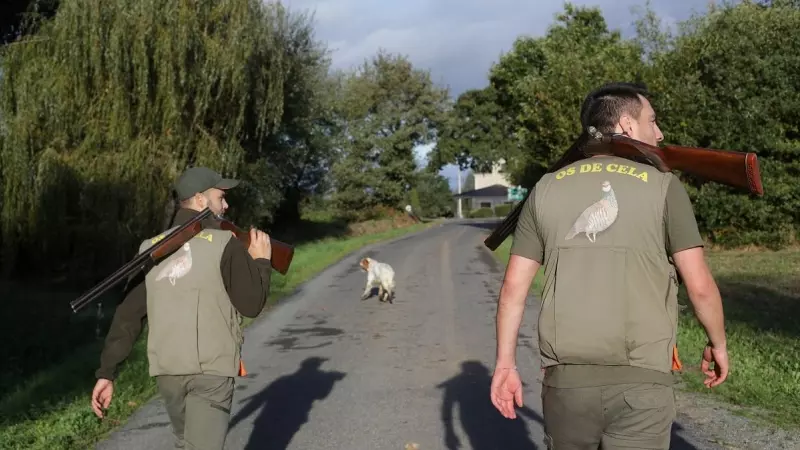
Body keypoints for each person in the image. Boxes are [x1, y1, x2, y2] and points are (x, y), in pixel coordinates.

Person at [489, 82, 729, 449]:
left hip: (567, 381)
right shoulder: (665, 187)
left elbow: (512, 291)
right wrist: (718, 343)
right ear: (628, 127)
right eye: (653, 120)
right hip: (643, 378)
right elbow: (698, 285)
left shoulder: (545, 188)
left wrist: (505, 364)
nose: (660, 132)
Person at [90, 166, 273, 450]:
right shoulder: (226, 243)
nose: (226, 204)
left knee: (187, 443)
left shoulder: (149, 248)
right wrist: (261, 262)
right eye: (221, 197)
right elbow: (252, 304)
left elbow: (128, 316)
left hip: (168, 373)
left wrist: (107, 372)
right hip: (212, 371)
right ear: (200, 200)